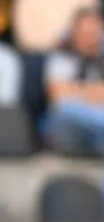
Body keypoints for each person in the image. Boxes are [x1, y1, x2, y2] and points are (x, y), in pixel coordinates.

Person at [44, 7, 104, 156]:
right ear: (74, 34)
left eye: (93, 34)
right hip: (64, 130)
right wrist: (94, 93)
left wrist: (75, 90)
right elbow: (58, 96)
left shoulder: (100, 59)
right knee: (66, 108)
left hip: (96, 135)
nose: (89, 40)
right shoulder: (62, 55)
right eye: (84, 34)